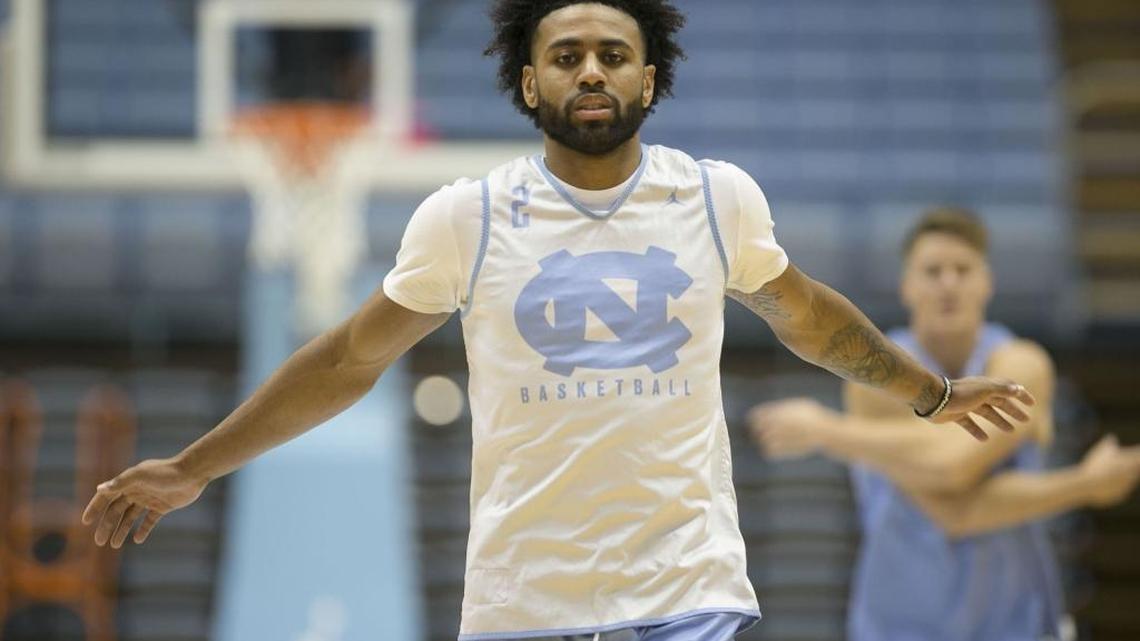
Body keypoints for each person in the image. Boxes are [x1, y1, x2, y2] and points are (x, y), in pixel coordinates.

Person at [82, 3, 1036, 640]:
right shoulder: (468, 216)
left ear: (648, 81)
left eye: (614, 56)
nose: (591, 71)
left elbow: (811, 318)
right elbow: (346, 357)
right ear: (529, 83)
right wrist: (193, 465)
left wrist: (931, 393)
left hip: (687, 597)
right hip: (522, 605)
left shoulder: (718, 198)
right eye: (567, 56)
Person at [750, 208, 1140, 641]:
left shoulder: (1022, 364)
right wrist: (1083, 483)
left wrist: (828, 431)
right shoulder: (874, 376)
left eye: (963, 269)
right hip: (900, 622)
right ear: (906, 286)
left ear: (987, 282)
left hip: (1015, 621)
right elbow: (949, 502)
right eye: (933, 271)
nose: (948, 282)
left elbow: (949, 468)